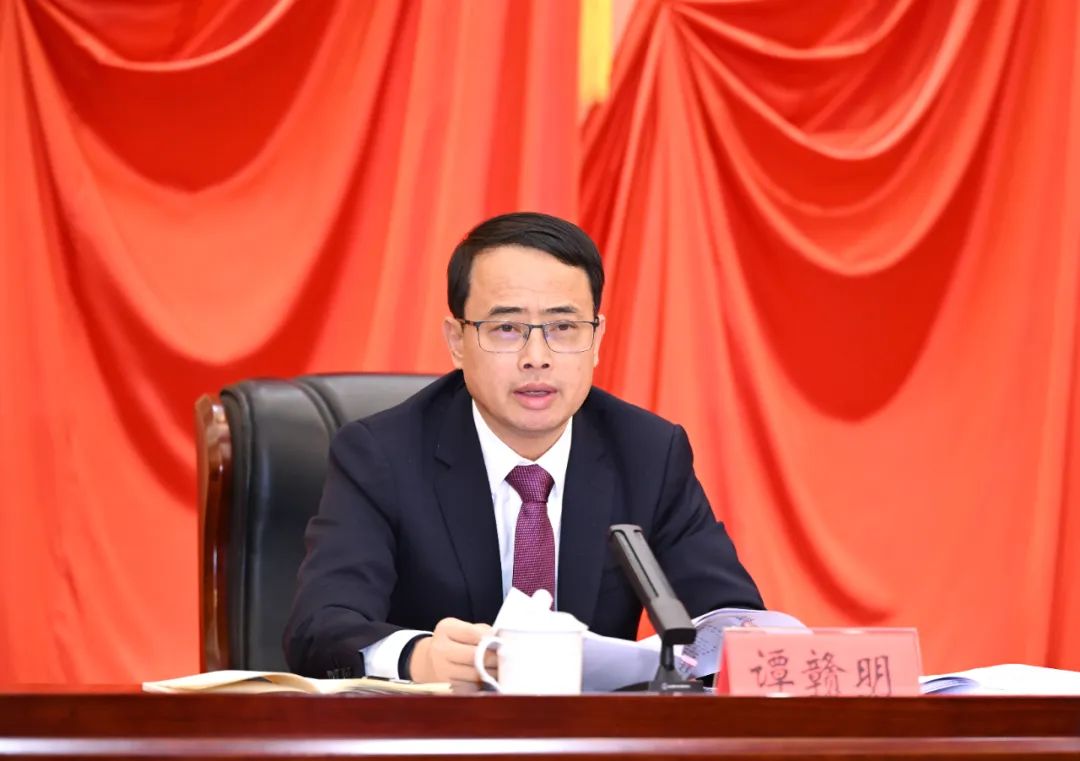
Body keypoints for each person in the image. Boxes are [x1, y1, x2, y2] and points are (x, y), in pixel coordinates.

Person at [283, 211, 763, 689]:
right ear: (457, 341)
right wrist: (416, 656)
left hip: (591, 732)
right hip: (437, 729)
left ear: (596, 339)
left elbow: (733, 624)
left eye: (564, 327)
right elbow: (319, 628)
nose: (537, 357)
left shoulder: (648, 453)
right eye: (507, 329)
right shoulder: (381, 455)